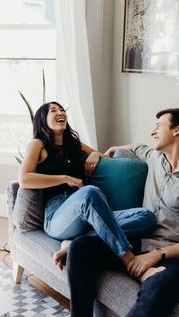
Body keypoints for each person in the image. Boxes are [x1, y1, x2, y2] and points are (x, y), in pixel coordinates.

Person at [18, 101, 157, 274]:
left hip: (91, 214)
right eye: (53, 110)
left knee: (147, 217)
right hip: (58, 214)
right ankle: (129, 259)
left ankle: (76, 243)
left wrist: (93, 154)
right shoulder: (38, 144)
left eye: (62, 109)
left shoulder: (75, 145)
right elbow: (24, 179)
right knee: (90, 192)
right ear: (42, 120)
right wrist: (65, 179)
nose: (60, 112)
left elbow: (102, 154)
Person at [66, 108, 179, 317]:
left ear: (176, 131)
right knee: (80, 248)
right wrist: (99, 153)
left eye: (159, 126)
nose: (153, 131)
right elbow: (131, 147)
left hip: (171, 254)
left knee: (158, 287)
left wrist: (156, 255)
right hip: (137, 241)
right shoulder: (154, 156)